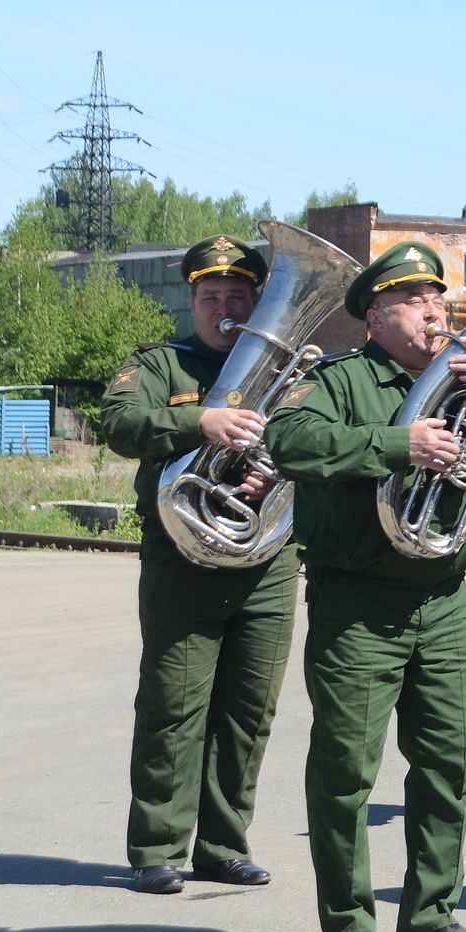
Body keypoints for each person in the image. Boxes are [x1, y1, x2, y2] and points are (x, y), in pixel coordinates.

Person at [265, 242, 466, 932]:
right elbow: (289, 439)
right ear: (376, 313)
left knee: (445, 762)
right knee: (346, 767)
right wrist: (400, 443)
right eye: (417, 300)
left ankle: (430, 909)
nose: (436, 311)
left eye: (439, 298)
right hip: (359, 602)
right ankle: (348, 918)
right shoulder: (342, 378)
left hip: (442, 594)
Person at [100, 235, 297, 895]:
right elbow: (120, 422)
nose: (223, 307)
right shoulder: (164, 365)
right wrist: (201, 423)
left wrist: (275, 474)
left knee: (249, 708)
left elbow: (314, 441)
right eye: (210, 296)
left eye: (237, 296)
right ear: (192, 300)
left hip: (265, 559)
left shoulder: (289, 372)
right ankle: (156, 847)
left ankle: (222, 845)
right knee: (173, 703)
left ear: (257, 301)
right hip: (183, 555)